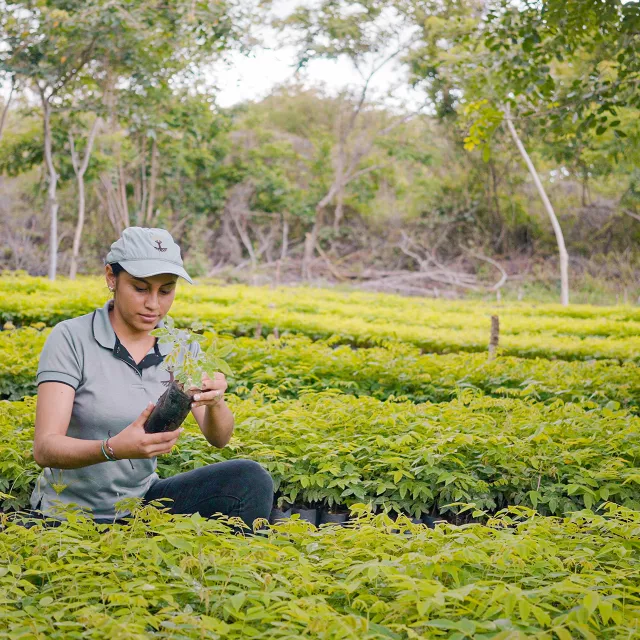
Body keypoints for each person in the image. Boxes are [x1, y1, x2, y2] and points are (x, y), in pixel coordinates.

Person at [28, 227, 273, 530]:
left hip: (141, 502)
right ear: (111, 278)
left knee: (248, 480)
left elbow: (219, 439)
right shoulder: (70, 338)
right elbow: (45, 448)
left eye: (166, 290)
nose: (154, 305)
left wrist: (216, 403)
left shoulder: (181, 346)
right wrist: (113, 448)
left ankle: (235, 570)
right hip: (70, 513)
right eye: (141, 289)